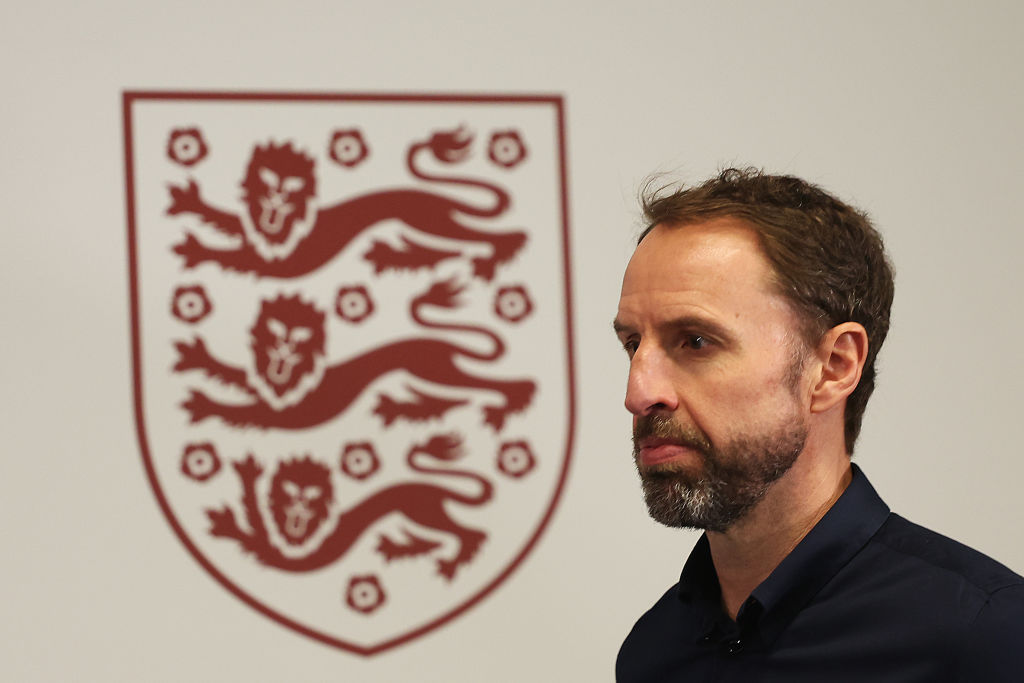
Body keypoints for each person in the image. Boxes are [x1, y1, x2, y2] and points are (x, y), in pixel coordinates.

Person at [612, 168, 1024, 681]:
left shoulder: (988, 636)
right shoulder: (654, 650)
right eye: (633, 345)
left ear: (833, 367)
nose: (639, 394)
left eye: (695, 341)